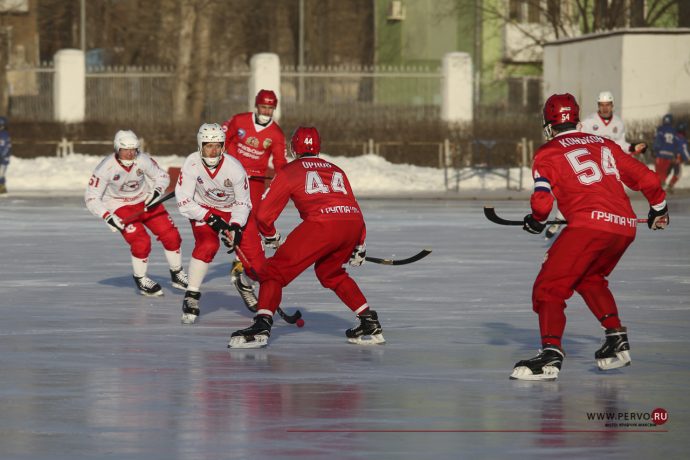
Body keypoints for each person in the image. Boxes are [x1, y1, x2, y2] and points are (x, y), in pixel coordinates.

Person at [512, 93, 668, 381]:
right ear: (577, 119)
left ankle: (550, 356)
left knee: (549, 288)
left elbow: (543, 204)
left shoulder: (547, 153)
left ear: (548, 124)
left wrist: (536, 221)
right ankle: (616, 339)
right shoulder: (603, 143)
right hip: (623, 227)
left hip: (588, 227)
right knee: (588, 278)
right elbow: (646, 178)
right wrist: (659, 207)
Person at [228, 126, 382, 349]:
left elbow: (263, 214)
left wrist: (271, 235)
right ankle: (368, 321)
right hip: (352, 224)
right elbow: (352, 206)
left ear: (294, 147)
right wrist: (359, 242)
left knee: (273, 272)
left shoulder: (290, 170)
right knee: (330, 272)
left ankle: (261, 325)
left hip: (321, 225)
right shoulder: (336, 169)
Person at [175, 123, 267, 324]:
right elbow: (183, 201)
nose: (213, 150)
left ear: (224, 146)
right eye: (209, 145)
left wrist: (234, 225)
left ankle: (244, 282)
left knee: (259, 266)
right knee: (208, 245)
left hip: (233, 210)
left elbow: (244, 202)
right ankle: (191, 295)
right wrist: (210, 218)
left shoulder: (235, 168)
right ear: (200, 145)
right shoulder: (191, 164)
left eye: (218, 145)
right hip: (203, 209)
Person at [85, 130, 188, 296]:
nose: (130, 153)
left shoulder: (142, 159)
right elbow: (91, 197)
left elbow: (162, 176)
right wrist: (108, 216)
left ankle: (177, 273)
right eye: (126, 150)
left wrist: (155, 192)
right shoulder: (106, 167)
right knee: (141, 241)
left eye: (133, 149)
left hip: (146, 201)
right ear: (117, 149)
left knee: (171, 236)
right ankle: (141, 279)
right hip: (120, 206)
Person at [546, 91, 648, 238]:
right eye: (601, 105)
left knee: (607, 193)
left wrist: (633, 147)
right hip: (590, 161)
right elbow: (575, 136)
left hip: (606, 164)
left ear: (612, 105)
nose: (605, 108)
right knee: (576, 190)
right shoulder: (589, 122)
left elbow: (620, 145)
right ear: (598, 105)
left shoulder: (618, 123)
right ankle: (559, 219)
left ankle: (606, 221)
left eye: (607, 105)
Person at [221, 89, 288, 310]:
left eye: (270, 108)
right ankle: (239, 256)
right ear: (256, 106)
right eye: (263, 107)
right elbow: (221, 139)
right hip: (232, 176)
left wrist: (287, 180)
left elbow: (280, 163)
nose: (266, 111)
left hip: (256, 182)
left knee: (256, 222)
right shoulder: (239, 120)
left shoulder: (276, 134)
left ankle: (242, 267)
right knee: (237, 220)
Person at [652, 114, 682, 190]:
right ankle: (661, 185)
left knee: (659, 170)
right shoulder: (674, 131)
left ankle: (659, 186)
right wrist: (675, 154)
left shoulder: (660, 129)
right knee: (665, 171)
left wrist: (655, 150)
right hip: (670, 154)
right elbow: (677, 143)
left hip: (661, 153)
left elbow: (658, 140)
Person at [664, 121, 689, 193]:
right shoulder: (681, 138)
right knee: (677, 173)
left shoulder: (674, 136)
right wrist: (688, 158)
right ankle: (669, 186)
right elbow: (683, 149)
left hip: (669, 156)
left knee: (668, 171)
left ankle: (661, 184)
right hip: (676, 157)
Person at [0, 116, 12, 194]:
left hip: (3, 158)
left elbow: (5, 147)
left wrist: (2, 155)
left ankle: (2, 187)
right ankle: (2, 187)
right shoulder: (4, 134)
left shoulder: (4, 135)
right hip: (3, 157)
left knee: (1, 174)